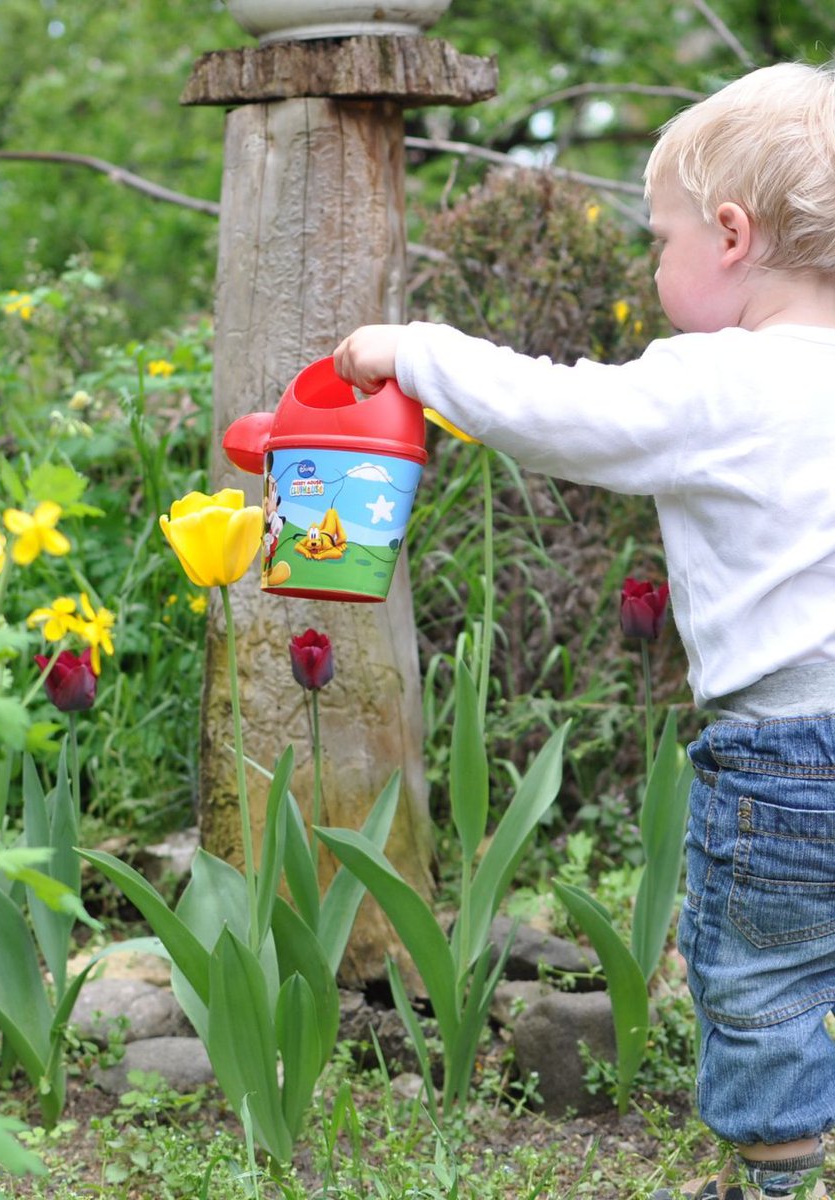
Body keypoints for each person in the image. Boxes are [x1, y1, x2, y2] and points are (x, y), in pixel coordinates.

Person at [333, 60, 835, 1200]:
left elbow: (558, 413)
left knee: (761, 978)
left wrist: (412, 353)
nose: (653, 268)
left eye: (658, 242)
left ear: (732, 235)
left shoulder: (724, 381)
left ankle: (774, 1182)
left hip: (787, 762)